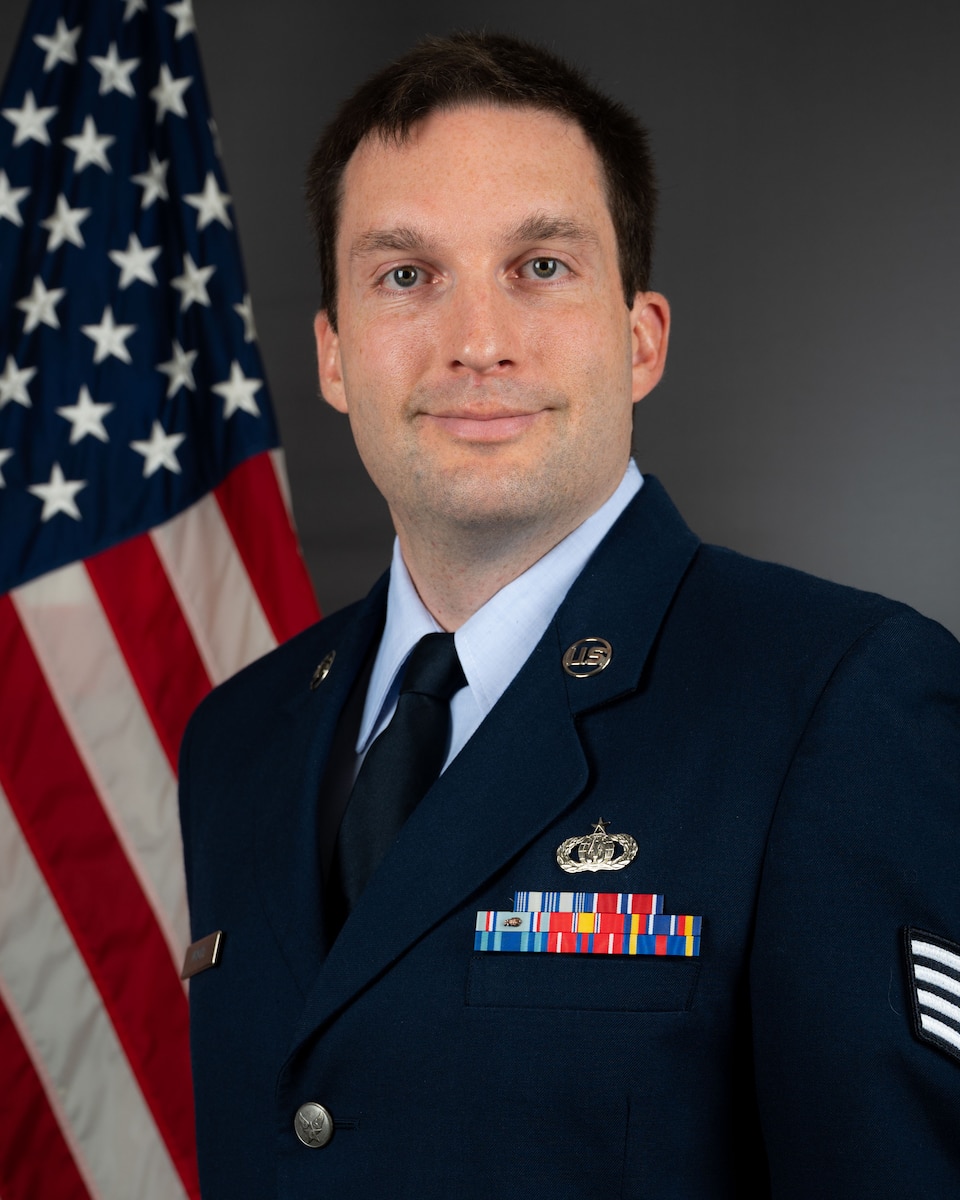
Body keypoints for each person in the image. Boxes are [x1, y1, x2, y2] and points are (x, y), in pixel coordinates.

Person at [178, 31, 960, 1198]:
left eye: (540, 266)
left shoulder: (837, 703)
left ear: (640, 339)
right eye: (407, 275)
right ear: (335, 358)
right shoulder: (236, 742)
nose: (478, 342)